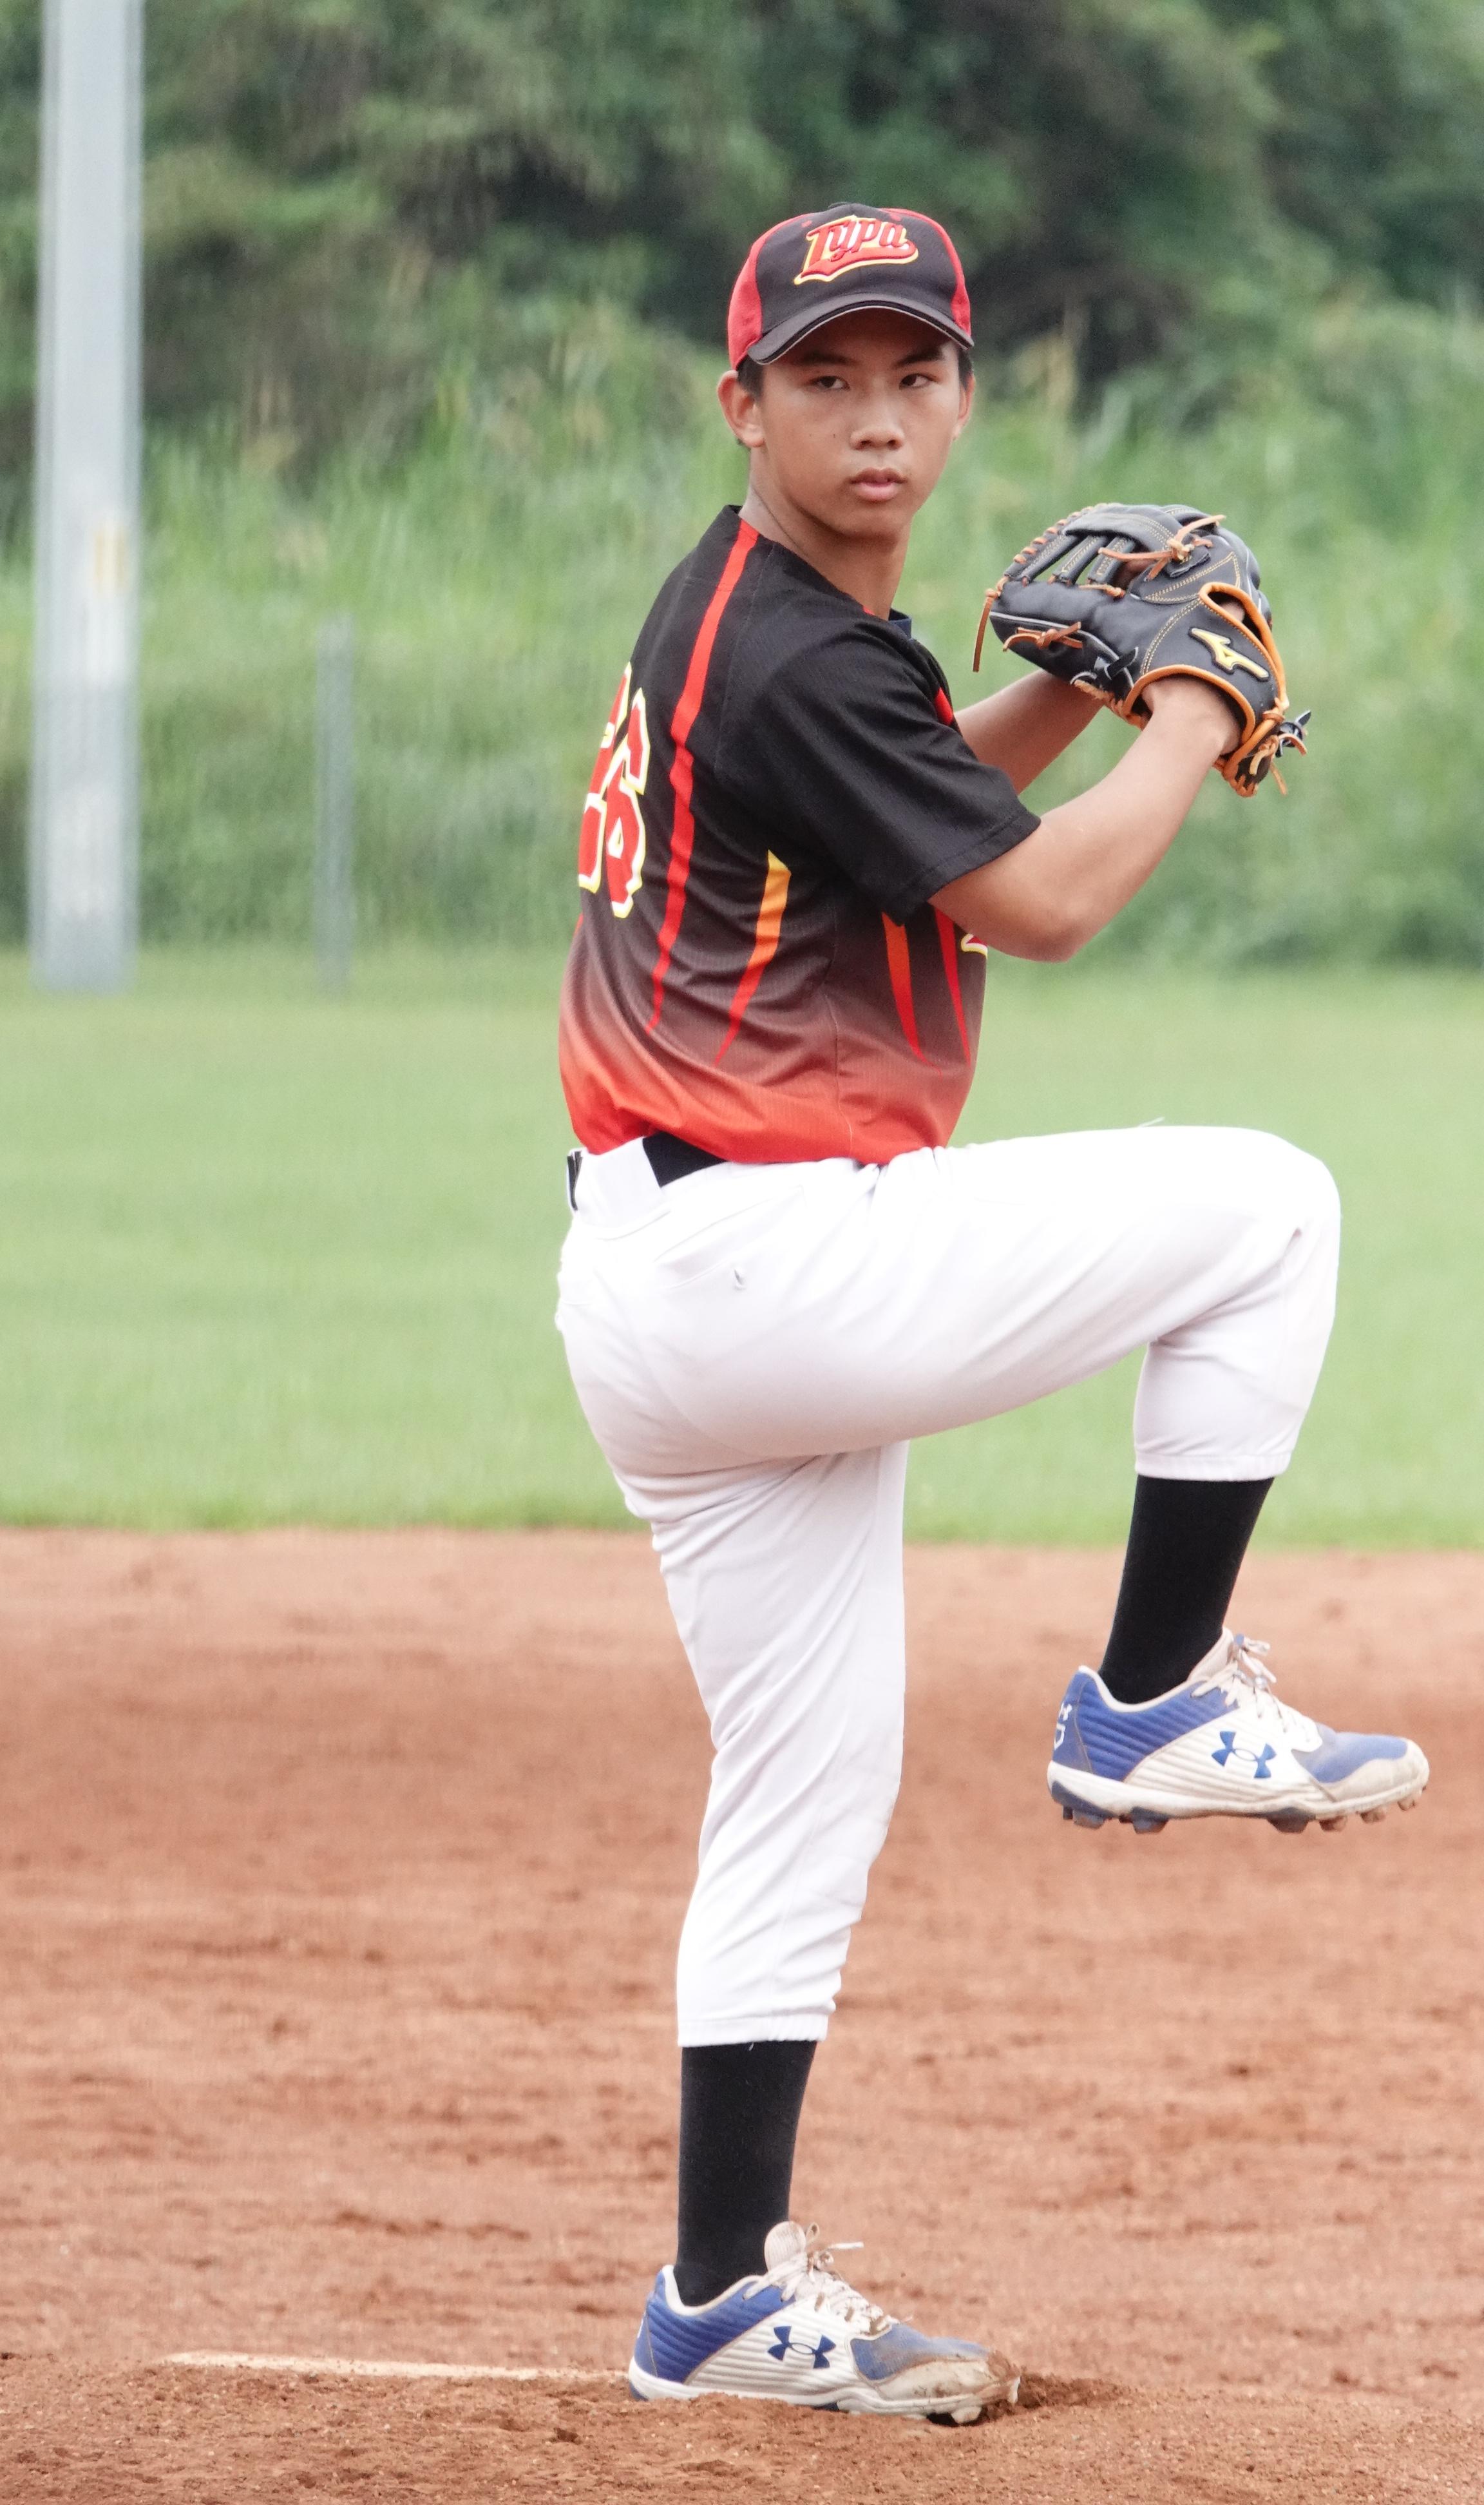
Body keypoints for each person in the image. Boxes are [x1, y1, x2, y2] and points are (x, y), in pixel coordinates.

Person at [553, 202, 1427, 2422]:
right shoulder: (800, 656)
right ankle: (1152, 1692)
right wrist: (1189, 707)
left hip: (668, 1285)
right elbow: (1034, 902)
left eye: (912, 374)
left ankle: (719, 2295)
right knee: (1272, 1209)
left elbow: (914, 796)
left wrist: (1064, 690)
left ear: (960, 395)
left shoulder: (751, 613)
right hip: (773, 1262)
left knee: (804, 1789)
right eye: (824, 378)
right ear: (742, 403)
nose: (876, 418)